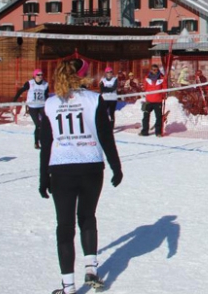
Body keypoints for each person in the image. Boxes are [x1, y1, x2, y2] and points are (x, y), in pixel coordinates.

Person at [39, 59, 123, 294]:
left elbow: (46, 145)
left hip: (62, 170)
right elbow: (106, 136)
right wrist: (116, 166)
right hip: (91, 167)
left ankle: (68, 287)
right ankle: (91, 270)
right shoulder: (93, 99)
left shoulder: (51, 103)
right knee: (87, 217)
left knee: (64, 228)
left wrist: (43, 177)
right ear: (81, 75)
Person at [13, 68, 49, 149]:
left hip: (42, 106)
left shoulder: (45, 84)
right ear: (34, 75)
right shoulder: (29, 83)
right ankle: (37, 142)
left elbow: (46, 96)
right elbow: (20, 91)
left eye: (41, 75)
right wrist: (14, 101)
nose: (40, 76)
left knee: (44, 124)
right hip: (32, 107)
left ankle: (41, 141)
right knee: (38, 124)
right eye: (38, 75)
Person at [140, 64, 167, 137]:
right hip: (148, 100)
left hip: (157, 101)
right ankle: (144, 131)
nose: (154, 71)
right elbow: (145, 87)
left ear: (158, 70)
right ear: (151, 70)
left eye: (156, 70)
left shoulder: (162, 78)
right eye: (153, 69)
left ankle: (158, 132)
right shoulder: (147, 78)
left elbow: (165, 88)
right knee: (145, 116)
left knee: (158, 117)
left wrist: (163, 95)